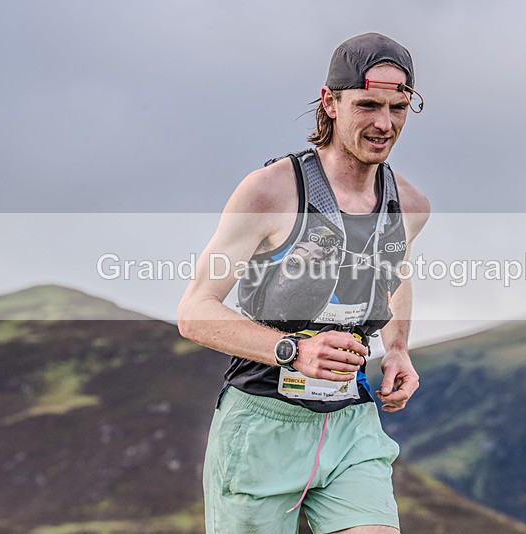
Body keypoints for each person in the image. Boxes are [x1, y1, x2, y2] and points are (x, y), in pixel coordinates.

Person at [178, 32, 430, 534]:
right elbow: (195, 311)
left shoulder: (410, 204)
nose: (384, 123)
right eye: (368, 105)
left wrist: (397, 347)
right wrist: (294, 350)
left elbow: (395, 270)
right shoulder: (269, 191)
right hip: (261, 425)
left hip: (351, 426)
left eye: (398, 108)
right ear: (330, 102)